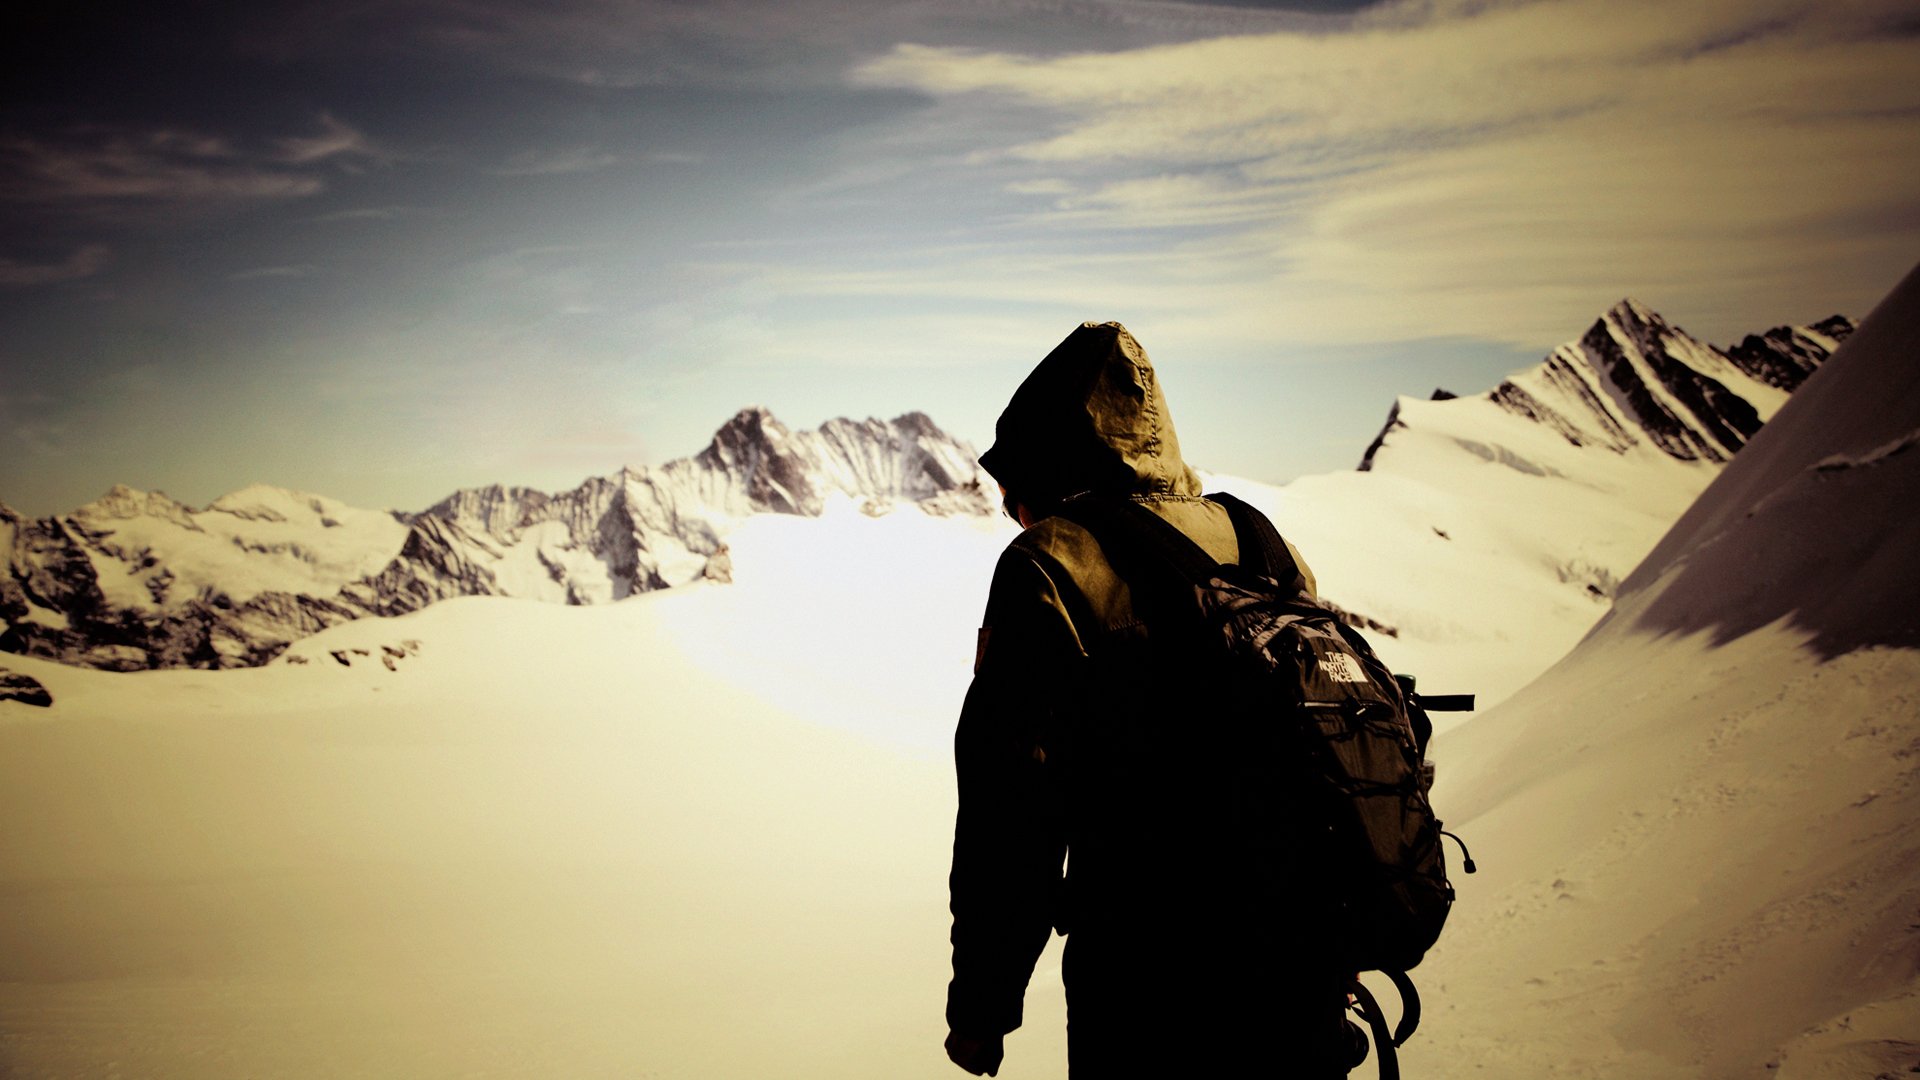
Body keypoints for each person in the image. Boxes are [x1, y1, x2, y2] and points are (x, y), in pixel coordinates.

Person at [944, 321, 1355, 1077]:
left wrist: (983, 1006)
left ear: (1045, 465)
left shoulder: (1053, 563)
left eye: (1013, 495)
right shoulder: (1266, 544)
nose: (1016, 513)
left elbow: (1011, 817)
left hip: (1147, 987)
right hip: (1306, 971)